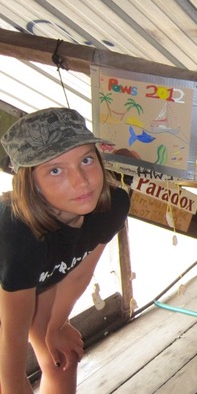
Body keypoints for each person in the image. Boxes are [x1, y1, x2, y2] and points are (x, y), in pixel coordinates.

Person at [0, 107, 130, 394]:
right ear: (29, 183)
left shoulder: (112, 206)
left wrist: (55, 327)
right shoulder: (17, 233)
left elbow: (75, 275)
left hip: (33, 283)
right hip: (10, 289)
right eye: (55, 170)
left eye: (86, 160)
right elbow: (12, 337)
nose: (81, 182)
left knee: (62, 358)